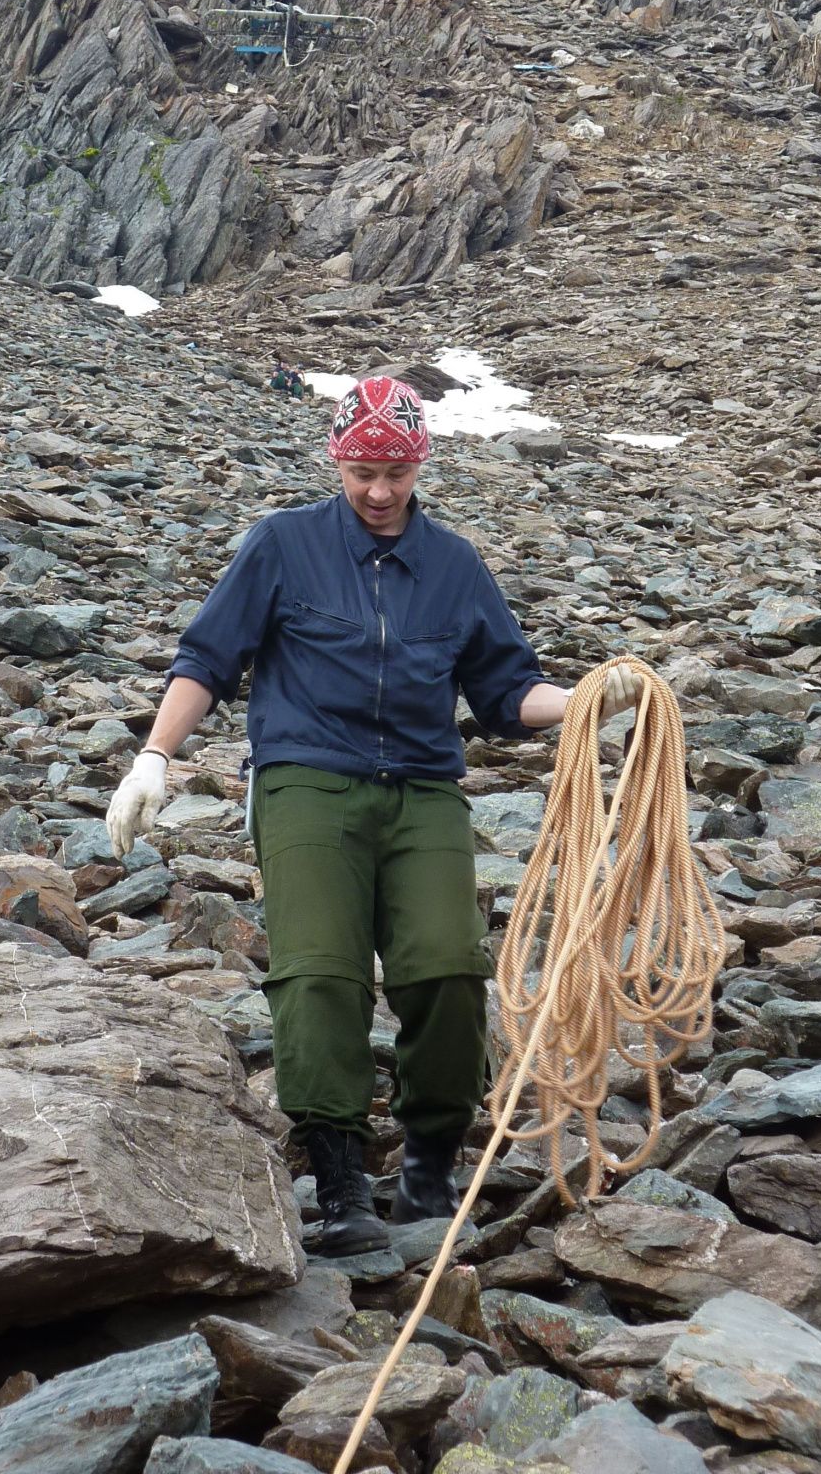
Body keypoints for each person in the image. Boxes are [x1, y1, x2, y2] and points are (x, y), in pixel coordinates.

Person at [106, 374, 640, 1253]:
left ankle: (430, 1158)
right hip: (307, 779)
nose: (380, 491)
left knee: (446, 971)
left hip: (424, 787)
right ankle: (341, 1177)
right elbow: (209, 657)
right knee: (321, 971)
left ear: (420, 463)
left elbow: (507, 694)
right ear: (337, 460)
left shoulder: (455, 565)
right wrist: (155, 757)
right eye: (363, 471)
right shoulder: (283, 545)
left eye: (395, 471)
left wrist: (590, 696)